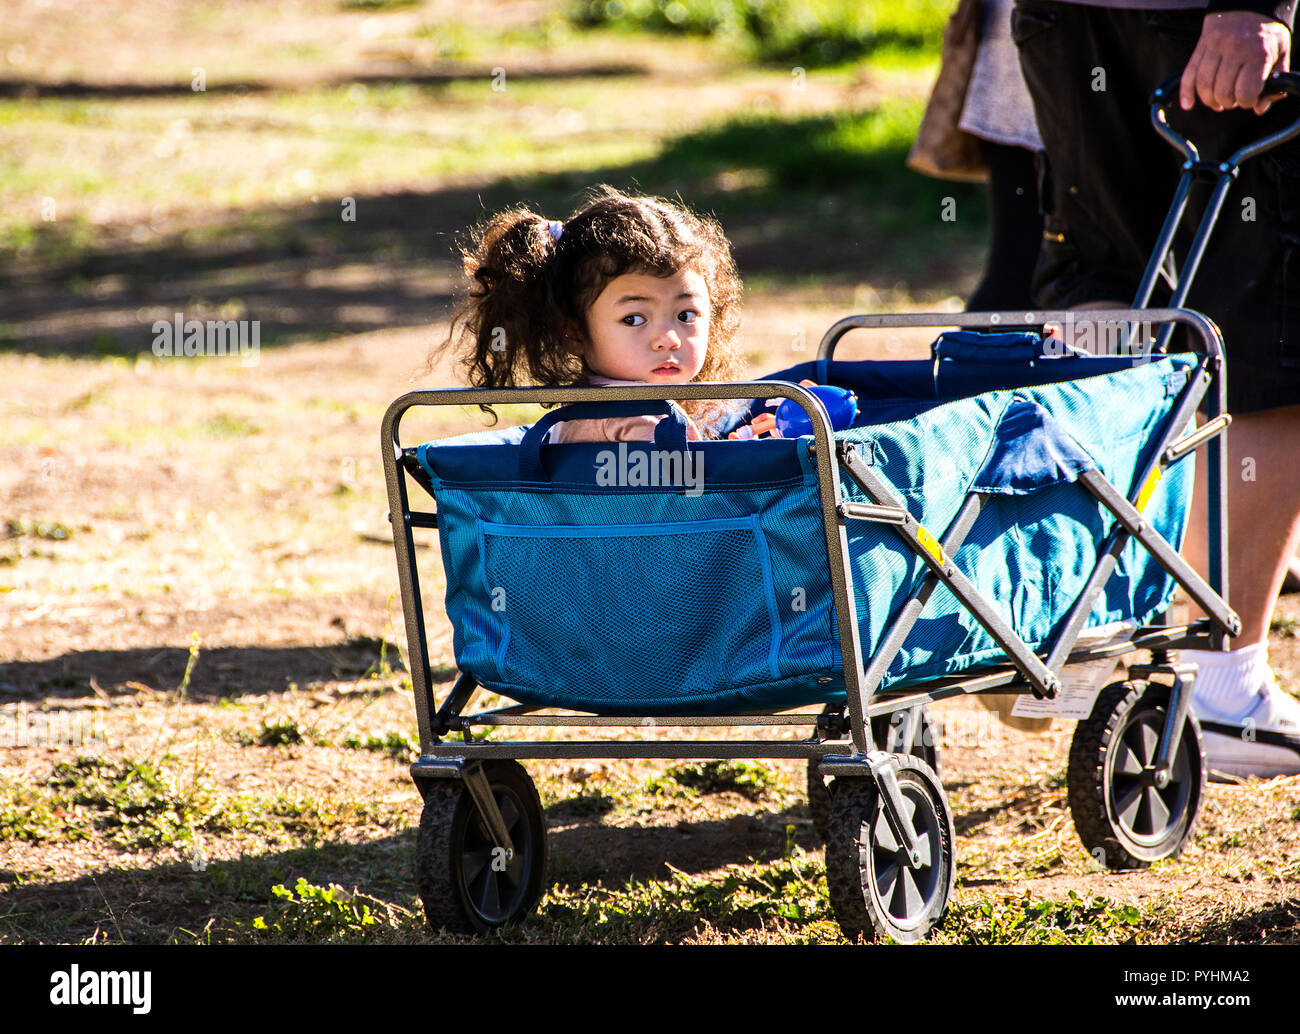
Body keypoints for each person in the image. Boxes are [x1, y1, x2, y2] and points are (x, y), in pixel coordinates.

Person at [1012, 0, 1300, 777]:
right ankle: (1223, 685)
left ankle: (1062, 634)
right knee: (1267, 326)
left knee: (1102, 282)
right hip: (1202, 18)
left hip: (1066, 17)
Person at [437, 185, 747, 443]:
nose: (668, 339)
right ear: (575, 332)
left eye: (686, 315)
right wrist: (747, 456)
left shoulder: (591, 406)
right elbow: (695, 500)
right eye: (634, 319)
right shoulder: (637, 420)